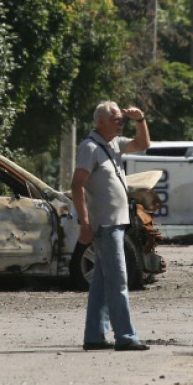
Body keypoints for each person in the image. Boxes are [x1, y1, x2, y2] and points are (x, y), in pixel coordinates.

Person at [71, 101, 152, 351]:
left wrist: (141, 121)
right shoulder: (90, 147)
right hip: (105, 225)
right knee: (118, 282)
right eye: (116, 118)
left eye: (121, 119)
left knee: (102, 284)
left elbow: (143, 145)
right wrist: (84, 222)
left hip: (116, 223)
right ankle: (126, 337)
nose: (121, 122)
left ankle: (94, 336)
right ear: (100, 122)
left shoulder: (114, 144)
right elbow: (77, 185)